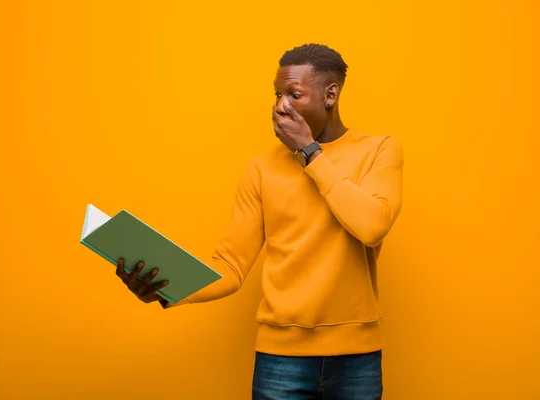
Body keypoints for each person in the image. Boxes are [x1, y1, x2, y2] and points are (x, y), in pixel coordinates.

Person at [116, 43, 404, 400]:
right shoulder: (261, 169)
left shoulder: (379, 150)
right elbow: (231, 266)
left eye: (294, 94)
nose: (280, 105)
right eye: (277, 94)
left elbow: (372, 226)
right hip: (280, 361)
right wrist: (167, 288)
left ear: (330, 94)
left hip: (356, 358)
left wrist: (310, 154)